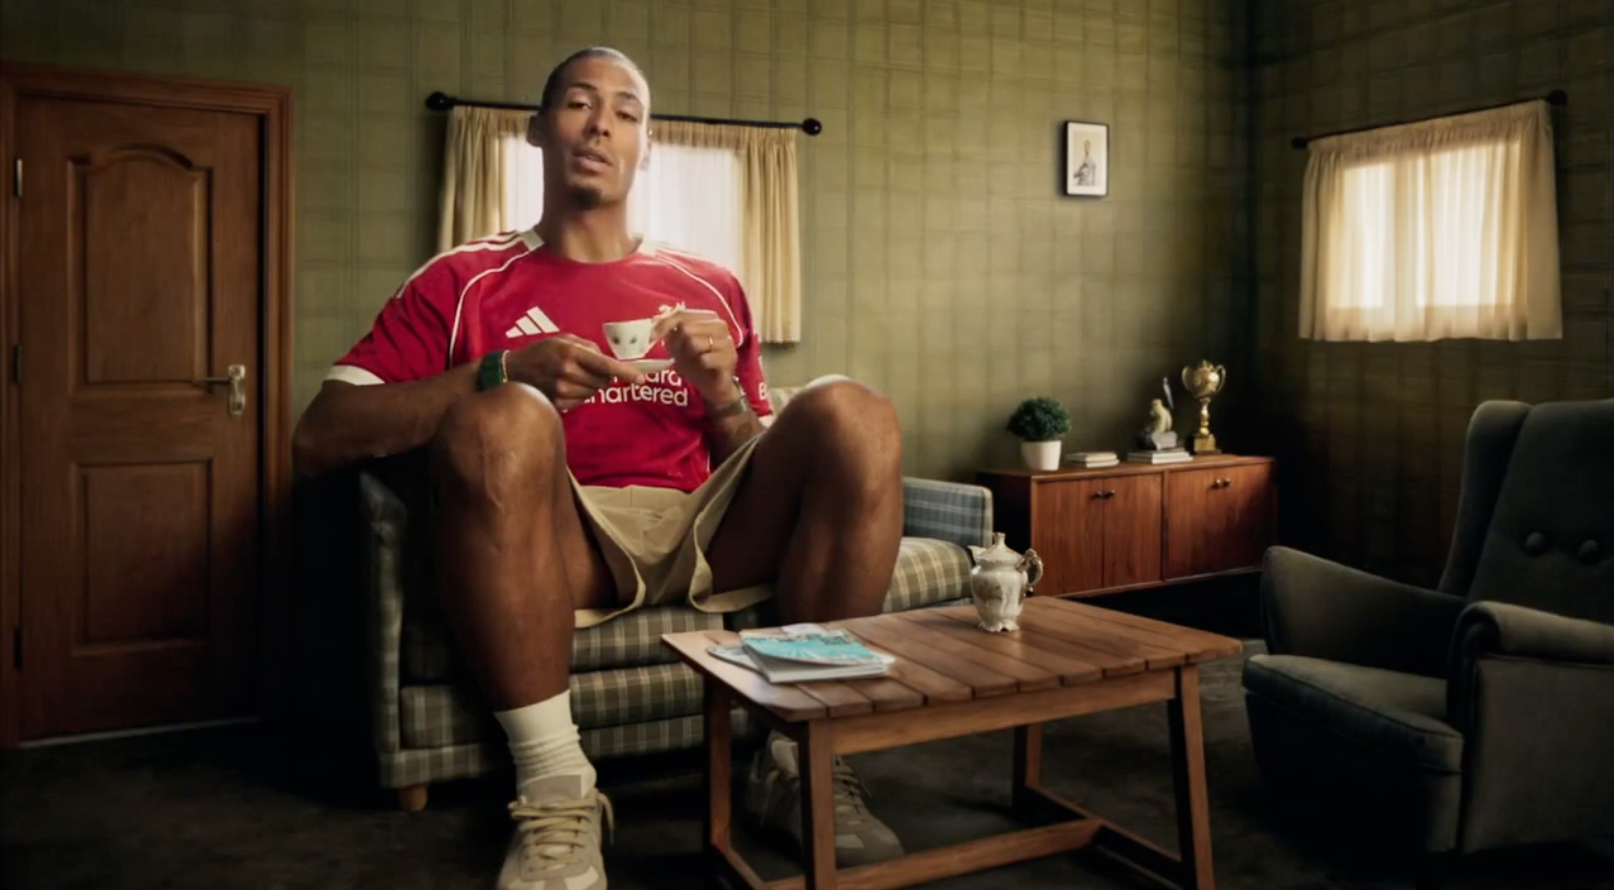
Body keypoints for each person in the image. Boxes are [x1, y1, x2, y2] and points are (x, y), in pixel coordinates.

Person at [291, 46, 908, 890]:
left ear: (646, 147)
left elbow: (755, 462)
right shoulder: (462, 280)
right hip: (564, 543)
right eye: (580, 104)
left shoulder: (711, 285)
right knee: (505, 416)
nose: (601, 126)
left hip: (708, 530)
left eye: (625, 112)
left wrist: (723, 395)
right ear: (538, 130)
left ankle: (801, 757)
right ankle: (558, 787)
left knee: (856, 413)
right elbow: (319, 437)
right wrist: (500, 372)